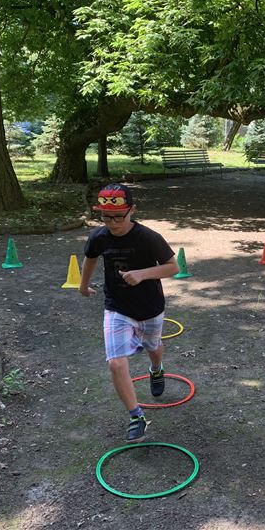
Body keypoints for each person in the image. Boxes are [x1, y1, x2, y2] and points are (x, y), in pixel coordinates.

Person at [79, 183, 179, 442]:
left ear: (132, 210)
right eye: (106, 217)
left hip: (150, 306)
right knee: (115, 362)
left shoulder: (148, 237)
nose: (112, 223)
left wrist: (142, 274)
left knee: (153, 346)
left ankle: (156, 368)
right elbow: (90, 258)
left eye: (118, 217)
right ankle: (137, 416)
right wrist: (83, 285)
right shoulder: (99, 237)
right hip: (117, 306)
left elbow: (173, 267)